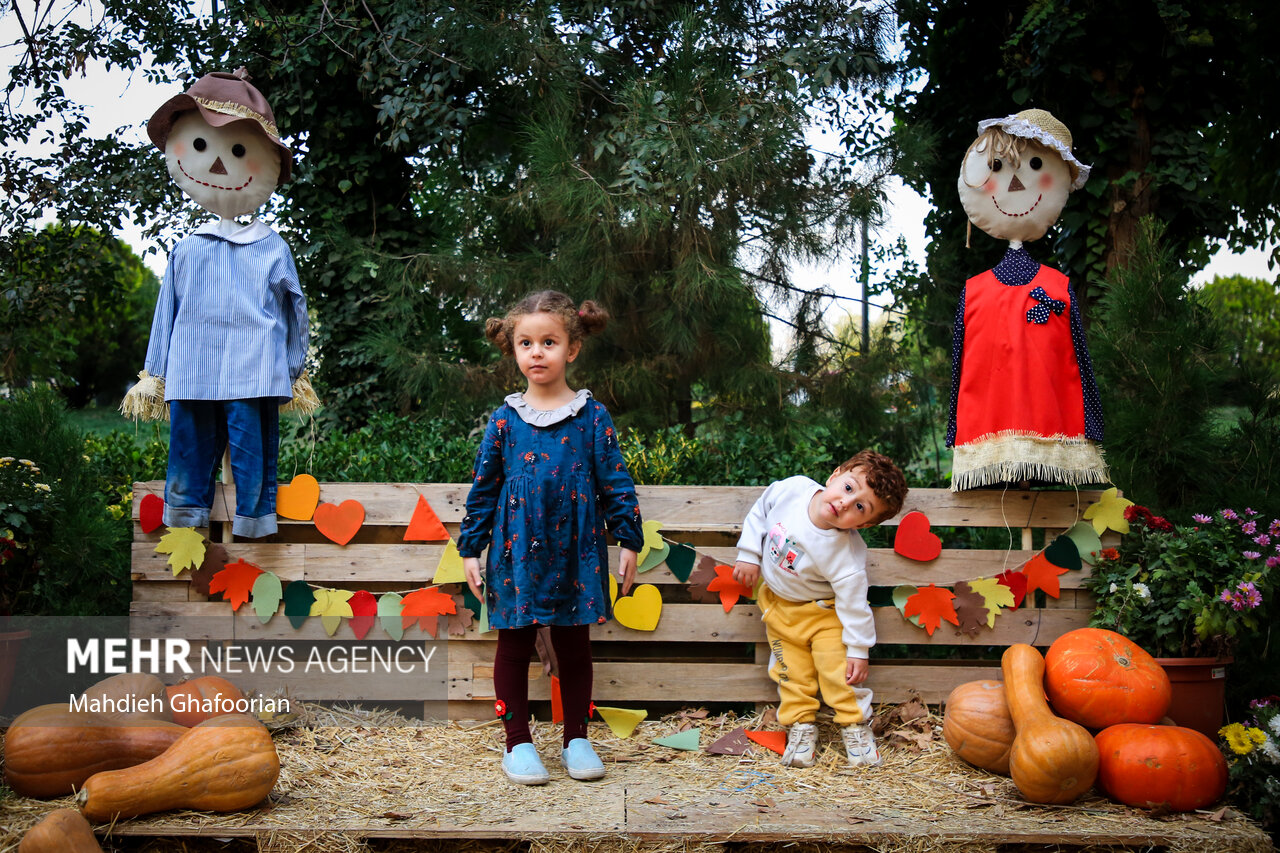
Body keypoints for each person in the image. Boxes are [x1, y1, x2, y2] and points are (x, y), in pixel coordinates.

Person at [459, 290, 644, 786]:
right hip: (514, 553)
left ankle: (576, 738)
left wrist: (629, 540)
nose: (536, 352)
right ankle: (517, 742)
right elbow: (484, 487)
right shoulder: (504, 420)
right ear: (514, 350)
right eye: (526, 342)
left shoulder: (591, 416)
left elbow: (616, 483)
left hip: (576, 552)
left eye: (549, 342)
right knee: (514, 643)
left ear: (573, 348)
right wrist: (470, 548)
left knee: (575, 644)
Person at [732, 450, 908, 767]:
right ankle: (801, 728)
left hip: (826, 615)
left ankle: (855, 727)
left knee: (839, 673)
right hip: (781, 611)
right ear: (835, 475)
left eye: (859, 506)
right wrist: (748, 554)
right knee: (790, 674)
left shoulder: (846, 553)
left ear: (865, 524)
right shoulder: (793, 490)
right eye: (849, 488)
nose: (844, 503)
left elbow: (854, 604)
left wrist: (858, 649)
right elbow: (760, 511)